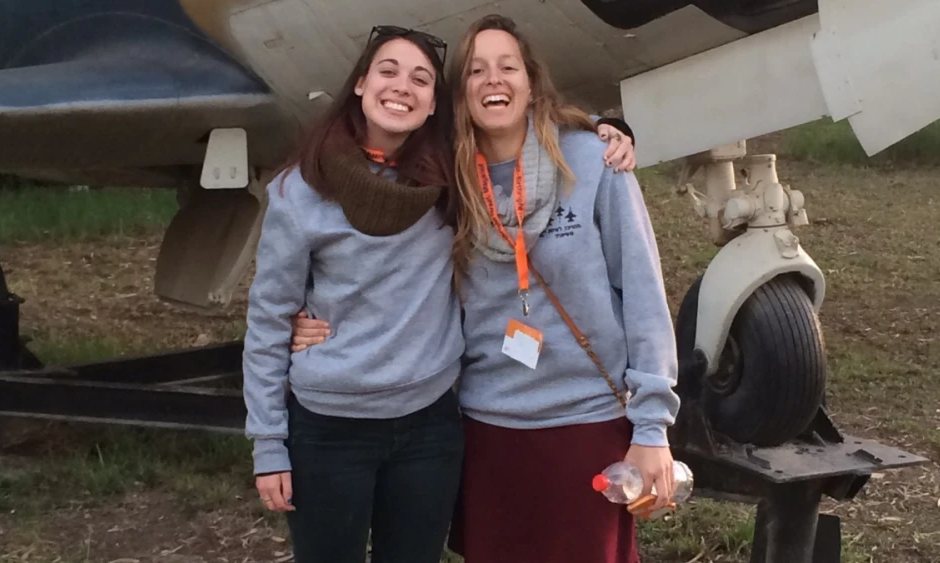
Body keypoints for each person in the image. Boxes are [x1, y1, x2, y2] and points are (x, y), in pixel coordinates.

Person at [290, 14, 681, 563]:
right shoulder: (443, 178)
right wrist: (306, 315)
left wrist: (652, 427)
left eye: (507, 67)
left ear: (531, 83)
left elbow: (643, 296)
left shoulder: (593, 160)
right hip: (487, 427)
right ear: (460, 95)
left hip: (586, 421)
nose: (493, 79)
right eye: (476, 70)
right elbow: (369, 242)